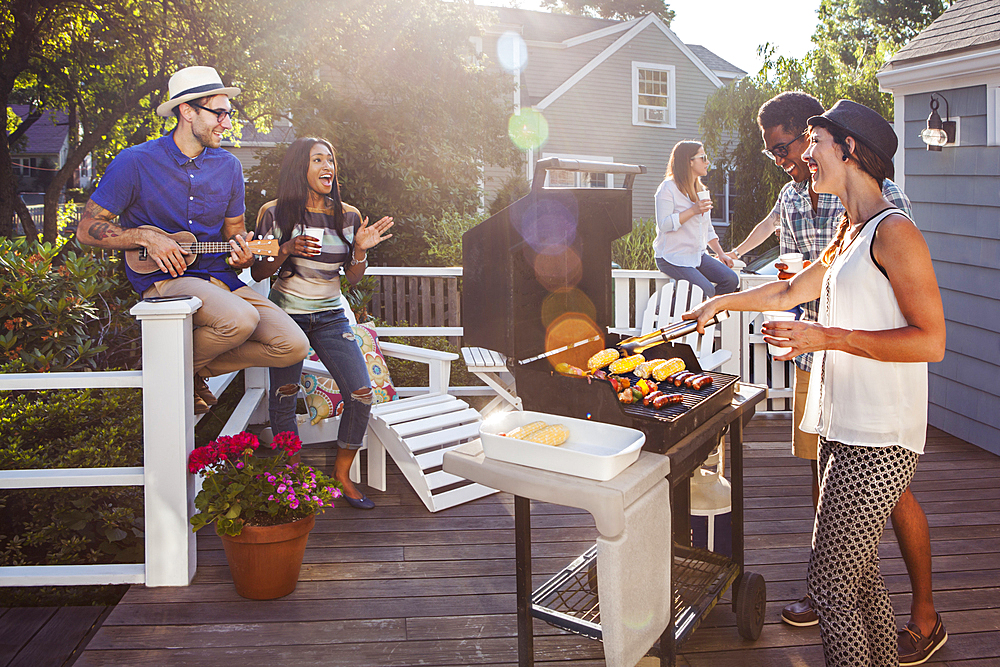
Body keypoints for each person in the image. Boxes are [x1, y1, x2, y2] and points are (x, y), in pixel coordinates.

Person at [686, 100, 947, 667]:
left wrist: (827, 337)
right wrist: (722, 302)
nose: (804, 156)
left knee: (830, 585)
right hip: (842, 429)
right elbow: (786, 293)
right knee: (861, 582)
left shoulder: (894, 232)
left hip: (880, 439)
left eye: (815, 144)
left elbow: (931, 341)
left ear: (848, 149)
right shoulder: (851, 233)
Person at [77, 66, 309, 414]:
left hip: (220, 278)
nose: (227, 124)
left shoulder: (229, 167)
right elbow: (86, 227)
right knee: (242, 319)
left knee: (292, 345)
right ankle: (180, 369)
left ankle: (189, 370)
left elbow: (234, 232)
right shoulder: (135, 162)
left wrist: (244, 254)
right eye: (219, 113)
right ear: (187, 111)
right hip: (163, 278)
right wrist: (143, 236)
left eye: (227, 115)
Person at [253, 137, 393, 510]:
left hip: (331, 315)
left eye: (330, 159)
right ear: (301, 167)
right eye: (318, 159)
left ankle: (341, 474)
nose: (327, 166)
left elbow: (353, 279)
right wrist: (286, 249)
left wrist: (360, 250)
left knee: (362, 394)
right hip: (287, 315)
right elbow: (257, 268)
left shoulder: (346, 215)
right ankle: (290, 477)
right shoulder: (274, 213)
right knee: (283, 400)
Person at [653, 140, 738, 298]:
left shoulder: (701, 190)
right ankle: (670, 307)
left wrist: (721, 254)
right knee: (706, 290)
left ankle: (705, 314)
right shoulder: (667, 188)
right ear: (689, 161)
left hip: (696, 255)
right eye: (703, 158)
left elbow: (707, 228)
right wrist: (692, 210)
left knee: (731, 280)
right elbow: (664, 225)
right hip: (671, 257)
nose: (708, 162)